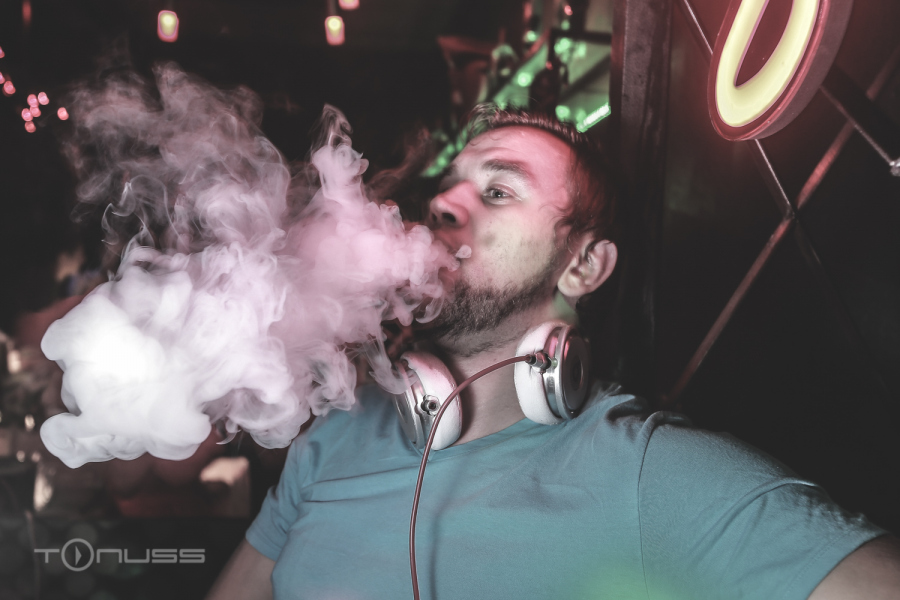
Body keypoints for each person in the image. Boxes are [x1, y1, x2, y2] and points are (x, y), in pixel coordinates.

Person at [206, 106, 900, 599]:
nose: (444, 205)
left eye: (498, 190)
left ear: (583, 266)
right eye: (448, 188)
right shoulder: (331, 441)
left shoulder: (650, 476)